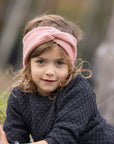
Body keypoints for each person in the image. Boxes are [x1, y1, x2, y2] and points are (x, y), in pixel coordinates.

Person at [0, 14, 114, 144]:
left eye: (59, 63)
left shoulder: (77, 90)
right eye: (41, 61)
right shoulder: (19, 96)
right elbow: (15, 137)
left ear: (70, 66)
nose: (50, 72)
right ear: (28, 63)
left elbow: (63, 138)